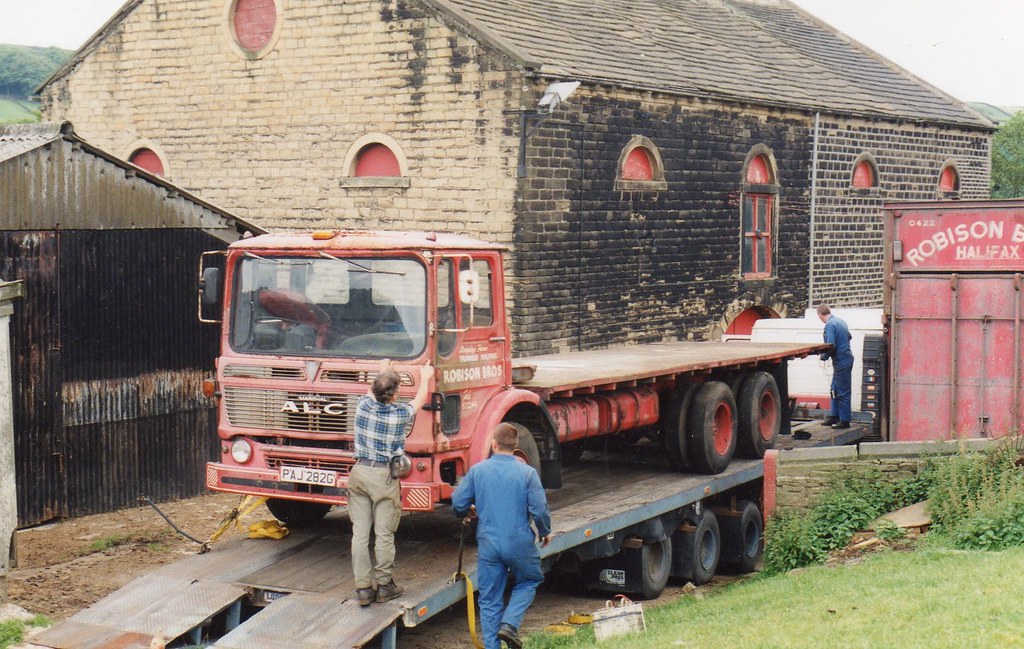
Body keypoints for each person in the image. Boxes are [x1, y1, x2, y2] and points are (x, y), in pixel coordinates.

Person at [451, 423, 551, 649]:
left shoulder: (478, 470)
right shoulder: (528, 473)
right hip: (519, 543)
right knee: (530, 579)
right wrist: (545, 531)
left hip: (489, 544)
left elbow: (458, 503)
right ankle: (510, 624)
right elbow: (540, 509)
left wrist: (466, 510)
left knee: (489, 598)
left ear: (493, 444)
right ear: (515, 446)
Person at [349, 359, 433, 607]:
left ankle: (363, 588)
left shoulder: (362, 406)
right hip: (383, 477)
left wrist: (382, 371)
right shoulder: (399, 415)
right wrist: (426, 376)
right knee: (384, 533)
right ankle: (385, 585)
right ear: (395, 394)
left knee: (359, 534)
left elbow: (370, 392)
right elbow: (419, 401)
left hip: (360, 472)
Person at [816, 304, 854, 429]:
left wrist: (824, 356)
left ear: (820, 315)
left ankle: (844, 420)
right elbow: (849, 336)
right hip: (844, 359)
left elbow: (830, 344)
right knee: (834, 388)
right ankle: (834, 416)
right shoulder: (840, 321)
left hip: (841, 360)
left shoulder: (830, 325)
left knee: (842, 391)